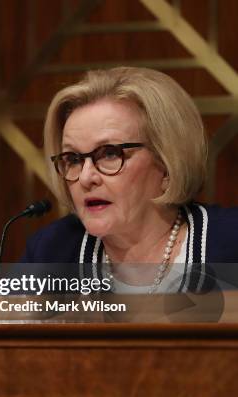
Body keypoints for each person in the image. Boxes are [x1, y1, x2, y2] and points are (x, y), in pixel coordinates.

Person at [21, 67, 238, 298]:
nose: (85, 178)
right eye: (73, 159)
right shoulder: (51, 251)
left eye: (109, 154)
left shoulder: (231, 242)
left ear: (166, 162)